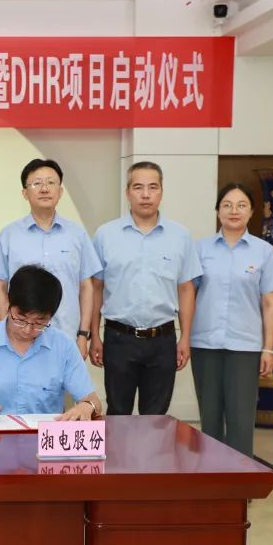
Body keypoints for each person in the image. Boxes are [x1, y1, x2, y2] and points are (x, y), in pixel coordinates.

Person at [89, 161, 201, 415]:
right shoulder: (106, 235)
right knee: (118, 415)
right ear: (128, 192)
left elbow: (186, 290)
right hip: (119, 338)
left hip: (163, 340)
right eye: (138, 187)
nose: (146, 194)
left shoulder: (180, 236)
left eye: (153, 187)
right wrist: (95, 335)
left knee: (156, 419)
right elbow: (96, 288)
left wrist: (185, 337)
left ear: (162, 191)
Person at [189, 183, 273, 459]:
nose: (234, 210)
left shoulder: (263, 251)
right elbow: (187, 296)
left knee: (241, 420)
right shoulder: (200, 249)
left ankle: (239, 479)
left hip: (245, 347)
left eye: (241, 205)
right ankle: (211, 477)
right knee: (210, 419)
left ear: (252, 211)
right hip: (205, 344)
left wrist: (269, 348)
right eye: (227, 205)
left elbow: (270, 303)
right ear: (218, 211)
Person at [0, 265, 102, 421]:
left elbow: (94, 401)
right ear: (8, 302)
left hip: (41, 438)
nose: (28, 329)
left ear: (51, 316)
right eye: (21, 319)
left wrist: (88, 406)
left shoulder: (64, 346)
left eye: (39, 323)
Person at [0, 159, 101, 356]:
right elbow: (0, 287)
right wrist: (4, 331)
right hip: (21, 337)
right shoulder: (9, 235)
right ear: (25, 193)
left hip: (67, 337)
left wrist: (83, 334)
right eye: (37, 183)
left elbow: (86, 287)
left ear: (60, 191)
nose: (44, 189)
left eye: (51, 182)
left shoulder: (77, 234)